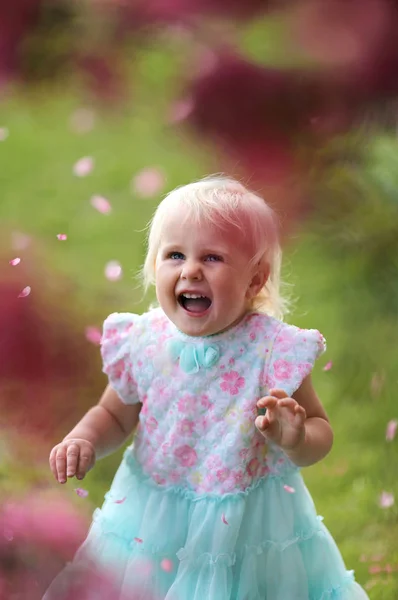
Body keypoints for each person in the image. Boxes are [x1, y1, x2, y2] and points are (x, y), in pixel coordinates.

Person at [44, 176, 368, 599]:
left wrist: (297, 437)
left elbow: (320, 432)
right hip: (151, 512)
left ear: (255, 281)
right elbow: (113, 413)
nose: (191, 270)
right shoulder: (143, 341)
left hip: (243, 525)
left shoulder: (270, 350)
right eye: (175, 255)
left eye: (212, 257)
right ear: (154, 266)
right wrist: (84, 438)